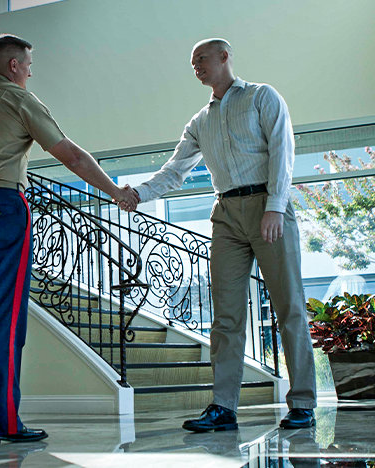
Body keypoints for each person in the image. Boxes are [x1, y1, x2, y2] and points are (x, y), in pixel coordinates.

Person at [0, 34, 136, 444]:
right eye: (29, 66)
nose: (30, 73)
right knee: (5, 317)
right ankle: (1, 422)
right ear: (14, 65)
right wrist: (115, 192)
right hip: (4, 207)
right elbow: (70, 154)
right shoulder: (18, 99)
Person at [117, 38, 317, 432]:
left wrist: (275, 205)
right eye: (192, 64)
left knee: (289, 308)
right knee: (225, 316)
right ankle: (224, 407)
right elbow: (175, 170)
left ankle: (303, 404)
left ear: (224, 57)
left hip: (267, 207)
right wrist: (138, 194)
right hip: (225, 215)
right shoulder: (199, 121)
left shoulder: (262, 97)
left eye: (201, 59)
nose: (197, 67)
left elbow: (283, 150)